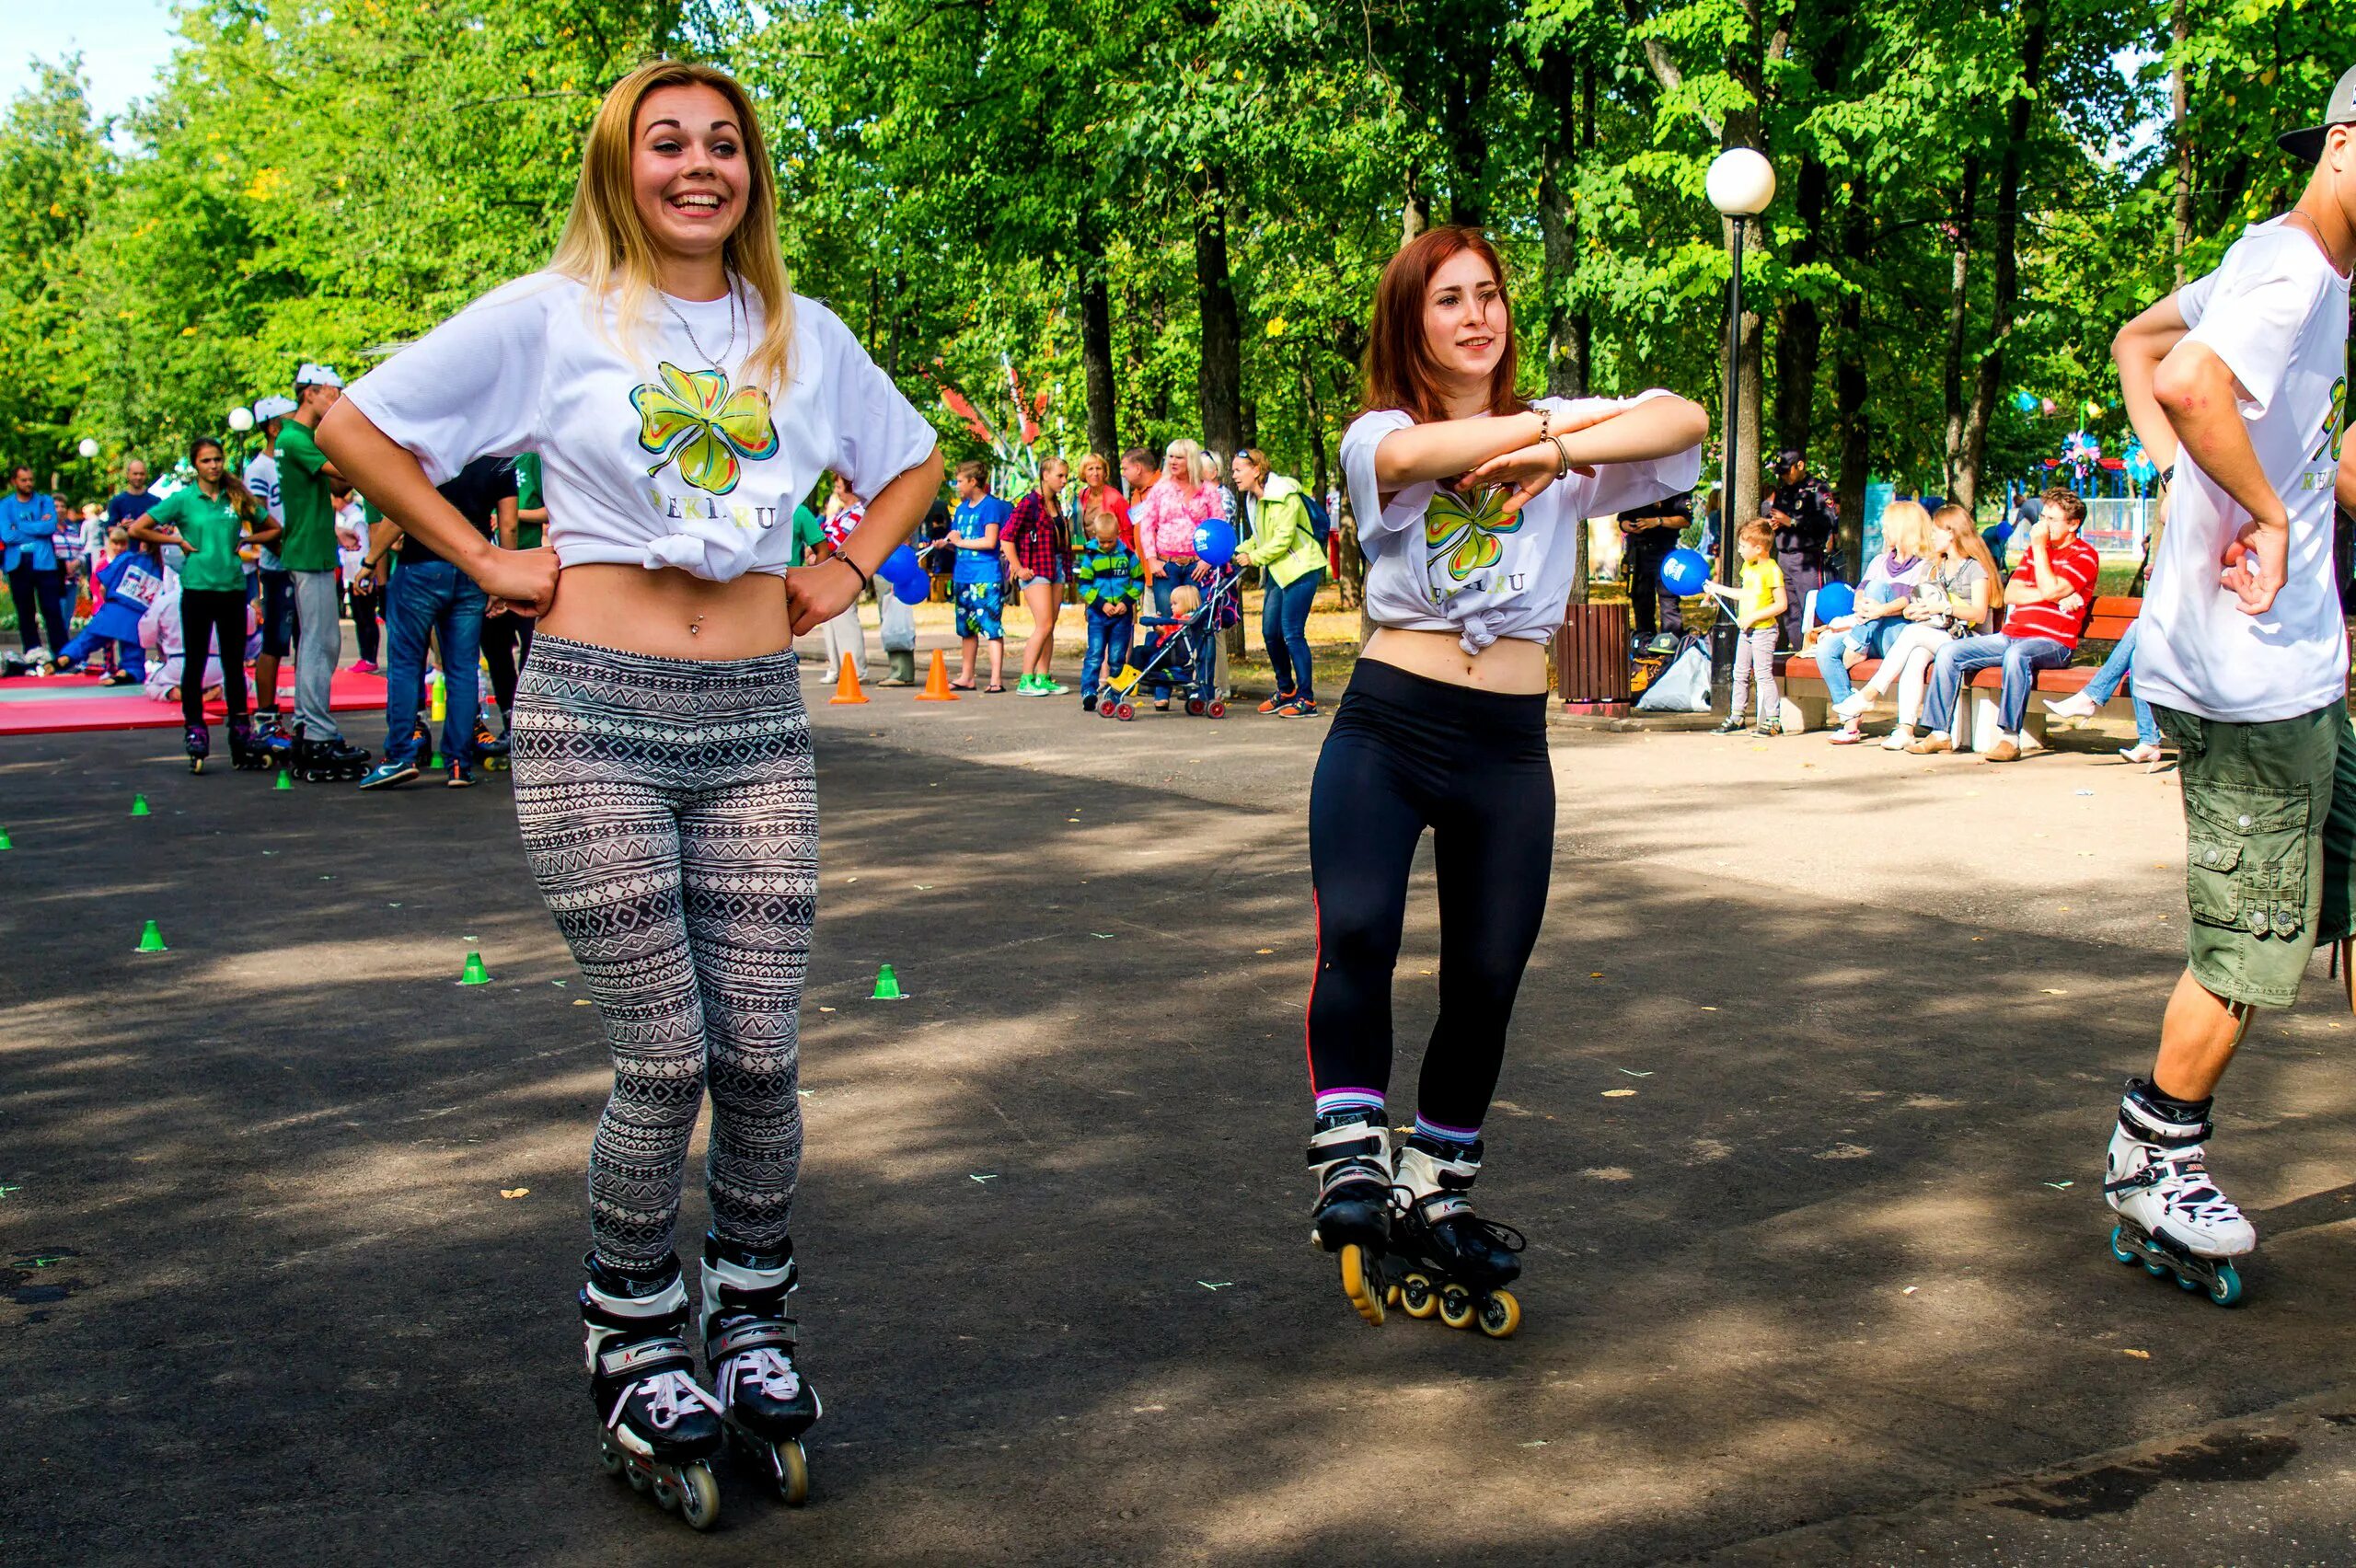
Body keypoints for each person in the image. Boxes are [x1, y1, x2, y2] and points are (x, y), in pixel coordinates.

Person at [318, 59, 941, 1519]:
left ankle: (755, 1323)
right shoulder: (554, 316)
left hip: (753, 722)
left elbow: (911, 463)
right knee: (665, 1056)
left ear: (752, 177)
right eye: (667, 143)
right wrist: (481, 562)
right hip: (593, 715)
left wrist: (840, 572)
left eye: (724, 144)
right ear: (622, 166)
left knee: (764, 1058)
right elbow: (353, 422)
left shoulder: (801, 333)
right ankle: (632, 1329)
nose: (698, 165)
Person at [1313, 225, 1704, 1333]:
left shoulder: (1561, 440)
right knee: (1358, 934)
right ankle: (1348, 1156)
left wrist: (1563, 452)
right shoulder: (1379, 430)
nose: (1475, 316)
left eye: (1489, 295)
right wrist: (1553, 432)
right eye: (1447, 301)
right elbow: (1407, 467)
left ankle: (1436, 1190)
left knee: (1488, 977)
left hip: (1506, 745)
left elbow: (1684, 419)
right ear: (1412, 322)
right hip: (1387, 728)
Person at [2090, 69, 2356, 1305]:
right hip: (2248, 680)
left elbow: (2141, 345)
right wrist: (2250, 506)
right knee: (2253, 945)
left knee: (2339, 893)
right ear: (2345, 148)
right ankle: (2155, 1151)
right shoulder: (2296, 270)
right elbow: (2189, 380)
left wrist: (2193, 484)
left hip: (2296, 667)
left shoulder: (2285, 262)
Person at [355, 455, 514, 789]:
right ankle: (459, 763)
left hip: (421, 566)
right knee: (463, 668)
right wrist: (502, 579)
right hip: (472, 569)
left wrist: (370, 562)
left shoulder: (429, 453)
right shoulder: (499, 459)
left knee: (406, 664)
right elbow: (508, 525)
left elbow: (399, 513)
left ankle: (401, 755)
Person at [1907, 487, 2099, 760]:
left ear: (2073, 524)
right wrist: (2052, 594)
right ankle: (1940, 733)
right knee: (1949, 652)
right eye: (2042, 517)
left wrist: (2042, 562)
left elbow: (2051, 588)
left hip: (2054, 642)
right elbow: (2011, 595)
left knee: (2017, 655)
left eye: (2051, 520)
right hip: (2011, 635)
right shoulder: (2036, 553)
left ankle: (2009, 738)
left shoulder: (2084, 555)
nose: (2042, 526)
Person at [130, 437, 280, 771]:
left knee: (233, 664)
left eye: (217, 459)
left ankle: (240, 732)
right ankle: (195, 729)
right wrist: (175, 539)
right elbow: (141, 528)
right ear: (195, 465)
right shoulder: (183, 500)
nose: (213, 466)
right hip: (197, 589)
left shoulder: (236, 497)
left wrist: (245, 539)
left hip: (231, 588)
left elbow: (272, 528)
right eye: (206, 461)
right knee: (194, 663)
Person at [1835, 502, 1998, 751]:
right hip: (1942, 634)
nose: (1931, 536)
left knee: (1912, 633)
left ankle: (1869, 694)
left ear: (1952, 532)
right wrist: (1916, 610)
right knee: (1915, 655)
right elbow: (1927, 602)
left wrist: (1942, 608)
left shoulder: (1975, 568)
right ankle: (1905, 729)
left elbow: (1978, 611)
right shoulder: (1938, 567)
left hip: (1970, 639)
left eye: (1936, 531)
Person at [276, 364, 372, 781]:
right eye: (332, 393)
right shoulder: (297, 438)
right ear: (310, 393)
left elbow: (333, 490)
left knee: (316, 643)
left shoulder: (299, 439)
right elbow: (344, 472)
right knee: (321, 644)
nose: (336, 400)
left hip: (311, 547)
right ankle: (316, 732)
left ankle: (307, 725)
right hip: (309, 554)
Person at [1818, 500, 1933, 744]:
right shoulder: (1879, 561)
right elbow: (1861, 591)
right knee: (1826, 649)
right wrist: (1861, 605)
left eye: (1887, 527)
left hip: (1897, 635)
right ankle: (1850, 720)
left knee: (1879, 587)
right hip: (1868, 631)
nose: (1883, 532)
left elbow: (1911, 599)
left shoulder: (1925, 566)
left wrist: (1881, 609)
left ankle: (1857, 648)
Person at [1230, 448, 1326, 716]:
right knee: (1270, 633)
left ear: (1257, 470)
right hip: (1277, 571)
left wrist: (1254, 558)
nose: (1234, 475)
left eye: (1238, 470)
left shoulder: (1285, 495)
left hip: (1302, 567)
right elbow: (1261, 538)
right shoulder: (1255, 500)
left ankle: (1307, 699)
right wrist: (1238, 550)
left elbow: (1283, 540)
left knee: (1292, 633)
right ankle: (1286, 690)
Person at [1131, 440, 1222, 707]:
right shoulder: (1160, 490)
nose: (1172, 462)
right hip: (1166, 566)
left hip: (1197, 566)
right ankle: (1162, 691)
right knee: (1165, 626)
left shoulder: (1207, 490)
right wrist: (1152, 560)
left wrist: (1209, 558)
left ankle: (1201, 689)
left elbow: (1218, 524)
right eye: (1170, 456)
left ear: (1190, 460)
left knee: (1200, 627)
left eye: (1179, 458)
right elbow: (1147, 525)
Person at [243, 396, 301, 742]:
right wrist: (284, 549)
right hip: (279, 565)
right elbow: (257, 524)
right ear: (274, 427)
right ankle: (265, 716)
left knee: (307, 641)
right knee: (275, 642)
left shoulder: (293, 462)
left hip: (304, 561)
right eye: (290, 420)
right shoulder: (259, 469)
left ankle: (305, 716)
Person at [54, 526, 158, 685]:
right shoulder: (164, 569)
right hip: (139, 615)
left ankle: (66, 657)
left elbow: (103, 586)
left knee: (89, 638)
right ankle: (127, 672)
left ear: (142, 544)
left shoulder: (127, 558)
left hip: (114, 608)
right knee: (133, 652)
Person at [1712, 520, 1787, 737]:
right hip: (1747, 631)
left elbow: (1781, 604)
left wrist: (1754, 616)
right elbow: (1745, 594)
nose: (1739, 550)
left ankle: (1773, 720)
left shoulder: (1772, 570)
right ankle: (1737, 716)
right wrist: (1717, 589)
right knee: (1740, 673)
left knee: (1763, 674)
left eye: (1742, 546)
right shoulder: (1749, 568)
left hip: (1764, 631)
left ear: (1758, 548)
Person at [1005, 456, 1071, 695]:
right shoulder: (1029, 503)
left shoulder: (1055, 503)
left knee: (1050, 625)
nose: (1064, 480)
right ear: (1045, 475)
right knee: (1043, 624)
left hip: (1056, 564)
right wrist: (1018, 566)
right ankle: (1026, 679)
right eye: (1060, 476)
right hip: (1036, 568)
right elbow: (1006, 536)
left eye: (1066, 476)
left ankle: (1043, 676)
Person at [946, 460, 1010, 692]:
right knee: (966, 628)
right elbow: (960, 539)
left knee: (991, 626)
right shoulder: (961, 509)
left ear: (974, 481)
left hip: (985, 576)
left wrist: (960, 541)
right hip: (963, 575)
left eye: (960, 481)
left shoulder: (990, 506)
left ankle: (996, 679)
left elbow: (990, 541)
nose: (957, 485)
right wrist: (948, 543)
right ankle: (967, 675)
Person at [1073, 505, 1141, 712]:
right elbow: (1084, 585)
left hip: (1121, 614)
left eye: (1109, 541)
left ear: (1117, 535)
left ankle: (1115, 691)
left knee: (1117, 656)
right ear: (1095, 536)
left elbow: (1138, 580)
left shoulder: (1128, 556)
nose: (1105, 545)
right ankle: (1089, 690)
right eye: (1101, 541)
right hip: (1098, 614)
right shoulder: (1091, 556)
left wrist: (1126, 602)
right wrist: (1101, 604)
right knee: (1095, 653)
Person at [1766, 450, 1836, 648]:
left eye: (1787, 471)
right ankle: (1798, 650)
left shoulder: (1818, 489)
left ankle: (1817, 654)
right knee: (1790, 612)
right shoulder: (1784, 491)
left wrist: (1793, 522)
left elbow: (1828, 520)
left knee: (1811, 609)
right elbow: (1775, 515)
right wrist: (1772, 524)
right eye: (1781, 473)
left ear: (1800, 466)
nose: (1784, 476)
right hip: (1784, 557)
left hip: (1807, 558)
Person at [1, 466, 70, 663]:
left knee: (52, 609)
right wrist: (36, 528)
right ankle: (32, 652)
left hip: (44, 562)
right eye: (24, 480)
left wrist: (20, 527)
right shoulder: (5, 505)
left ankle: (62, 654)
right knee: (25, 610)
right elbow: (6, 534)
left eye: (31, 479)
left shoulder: (45, 501)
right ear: (15, 481)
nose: (28, 484)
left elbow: (50, 527)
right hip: (18, 563)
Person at [1617, 488, 1693, 642]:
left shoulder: (1673, 488)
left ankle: (1671, 642)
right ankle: (1645, 644)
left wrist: (1658, 522)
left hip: (1664, 552)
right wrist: (1629, 526)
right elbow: (1622, 521)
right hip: (1638, 553)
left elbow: (1685, 520)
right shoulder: (1634, 487)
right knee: (1641, 600)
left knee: (1669, 601)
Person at [815, 475, 870, 687]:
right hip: (828, 568)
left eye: (839, 486)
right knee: (829, 620)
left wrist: (820, 548)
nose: (836, 491)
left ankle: (856, 669)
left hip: (846, 570)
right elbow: (822, 535)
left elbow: (837, 539)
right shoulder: (839, 513)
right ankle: (836, 668)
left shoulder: (859, 512)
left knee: (845, 618)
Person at [334, 479, 381, 673]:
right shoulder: (346, 518)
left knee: (366, 617)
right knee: (359, 618)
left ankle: (370, 657)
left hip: (359, 575)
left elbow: (362, 550)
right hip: (352, 574)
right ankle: (365, 656)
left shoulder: (356, 518)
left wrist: (361, 575)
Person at [1074, 452, 1133, 550]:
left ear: (1105, 473)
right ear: (1084, 473)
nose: (1095, 473)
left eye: (1099, 468)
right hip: (1092, 554)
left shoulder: (1115, 498)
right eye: (1090, 469)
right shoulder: (1082, 496)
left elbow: (1129, 531)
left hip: (1115, 553)